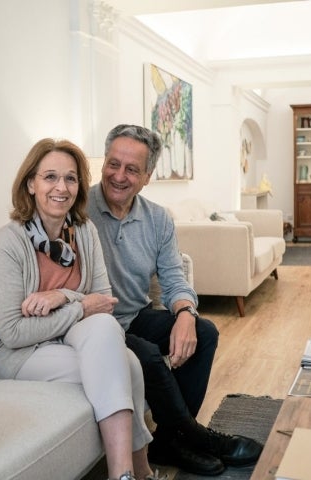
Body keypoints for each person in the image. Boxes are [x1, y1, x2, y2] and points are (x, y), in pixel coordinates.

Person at [85, 124, 263, 476]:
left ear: (148, 176)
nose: (118, 176)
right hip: (96, 328)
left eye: (131, 169)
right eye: (112, 164)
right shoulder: (78, 210)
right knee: (148, 354)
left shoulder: (157, 218)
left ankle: (168, 440)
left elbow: (173, 277)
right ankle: (197, 437)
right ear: (103, 163)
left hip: (134, 316)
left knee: (205, 331)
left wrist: (185, 312)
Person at [0, 138, 162, 480]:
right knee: (127, 365)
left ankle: (130, 474)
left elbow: (104, 302)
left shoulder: (83, 231)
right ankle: (133, 473)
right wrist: (78, 305)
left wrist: (61, 297)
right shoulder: (9, 241)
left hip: (67, 340)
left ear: (80, 186)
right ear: (31, 183)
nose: (61, 187)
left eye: (70, 178)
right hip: (21, 354)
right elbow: (13, 332)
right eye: (50, 177)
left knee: (115, 342)